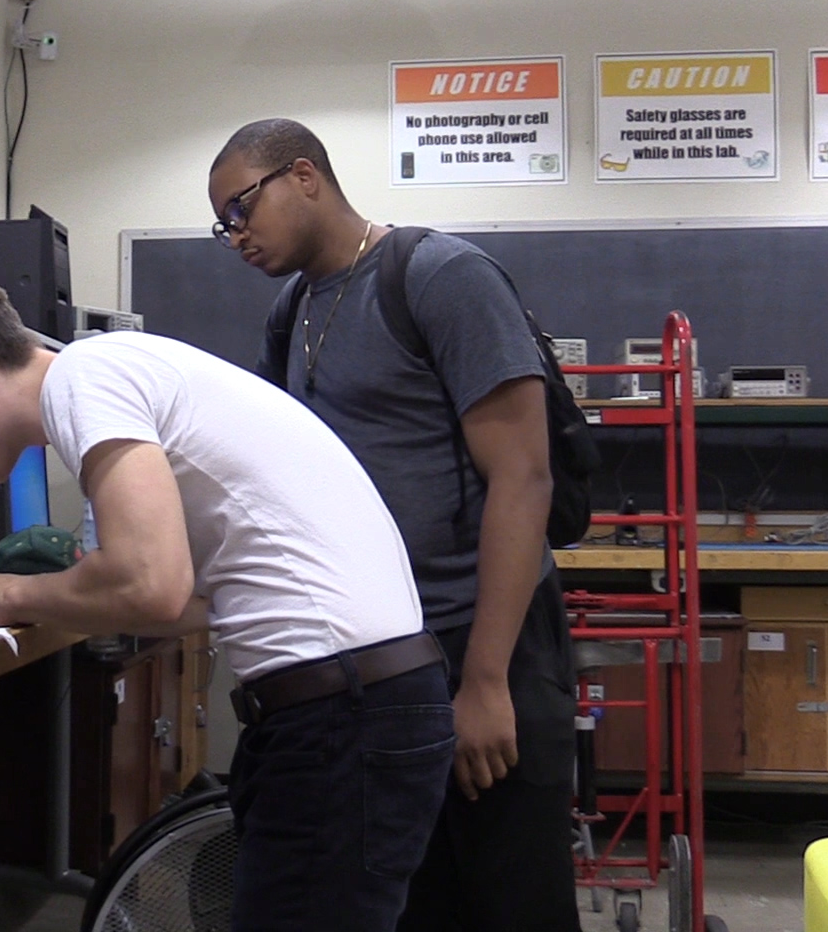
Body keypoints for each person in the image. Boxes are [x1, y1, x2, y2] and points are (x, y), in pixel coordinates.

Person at [0, 266, 454, 931]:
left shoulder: (85, 380)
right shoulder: (121, 372)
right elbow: (193, 599)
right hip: (365, 704)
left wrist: (8, 593)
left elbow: (152, 585)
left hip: (342, 715)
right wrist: (57, 597)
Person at [209, 118, 580, 932]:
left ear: (304, 175)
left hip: (486, 640)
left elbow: (524, 476)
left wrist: (485, 683)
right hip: (384, 659)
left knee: (511, 898)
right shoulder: (292, 310)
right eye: (222, 224)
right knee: (410, 904)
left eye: (242, 208)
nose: (235, 235)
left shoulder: (439, 275)